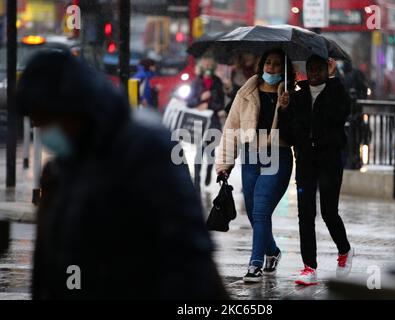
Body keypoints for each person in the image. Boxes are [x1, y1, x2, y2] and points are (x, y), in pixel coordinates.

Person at [16, 50, 227, 299]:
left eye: (47, 117)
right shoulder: (62, 169)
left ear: (73, 106)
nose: (41, 127)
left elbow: (186, 253)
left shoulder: (147, 151)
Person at [215, 48, 296, 283]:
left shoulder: (291, 95)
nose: (271, 68)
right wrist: (224, 164)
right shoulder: (246, 92)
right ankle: (273, 251)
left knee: (261, 208)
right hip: (250, 156)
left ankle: (255, 264)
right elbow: (231, 129)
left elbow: (298, 132)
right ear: (261, 66)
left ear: (285, 69)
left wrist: (286, 109)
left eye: (277, 64)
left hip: (278, 156)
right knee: (252, 212)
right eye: (268, 63)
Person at [278, 55, 354, 286]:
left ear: (326, 69)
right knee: (305, 214)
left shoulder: (336, 92)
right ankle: (309, 267)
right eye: (310, 69)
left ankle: (345, 250)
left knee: (329, 211)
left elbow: (341, 113)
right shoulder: (297, 97)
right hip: (305, 161)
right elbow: (289, 135)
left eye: (318, 69)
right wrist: (283, 110)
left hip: (330, 158)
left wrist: (333, 79)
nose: (313, 73)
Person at [187, 56, 225, 191]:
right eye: (206, 63)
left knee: (210, 152)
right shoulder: (196, 82)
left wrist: (208, 104)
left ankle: (209, 170)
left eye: (210, 63)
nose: (208, 66)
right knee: (199, 152)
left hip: (213, 122)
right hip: (199, 122)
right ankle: (196, 181)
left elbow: (221, 104)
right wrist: (200, 100)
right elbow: (189, 102)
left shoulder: (217, 82)